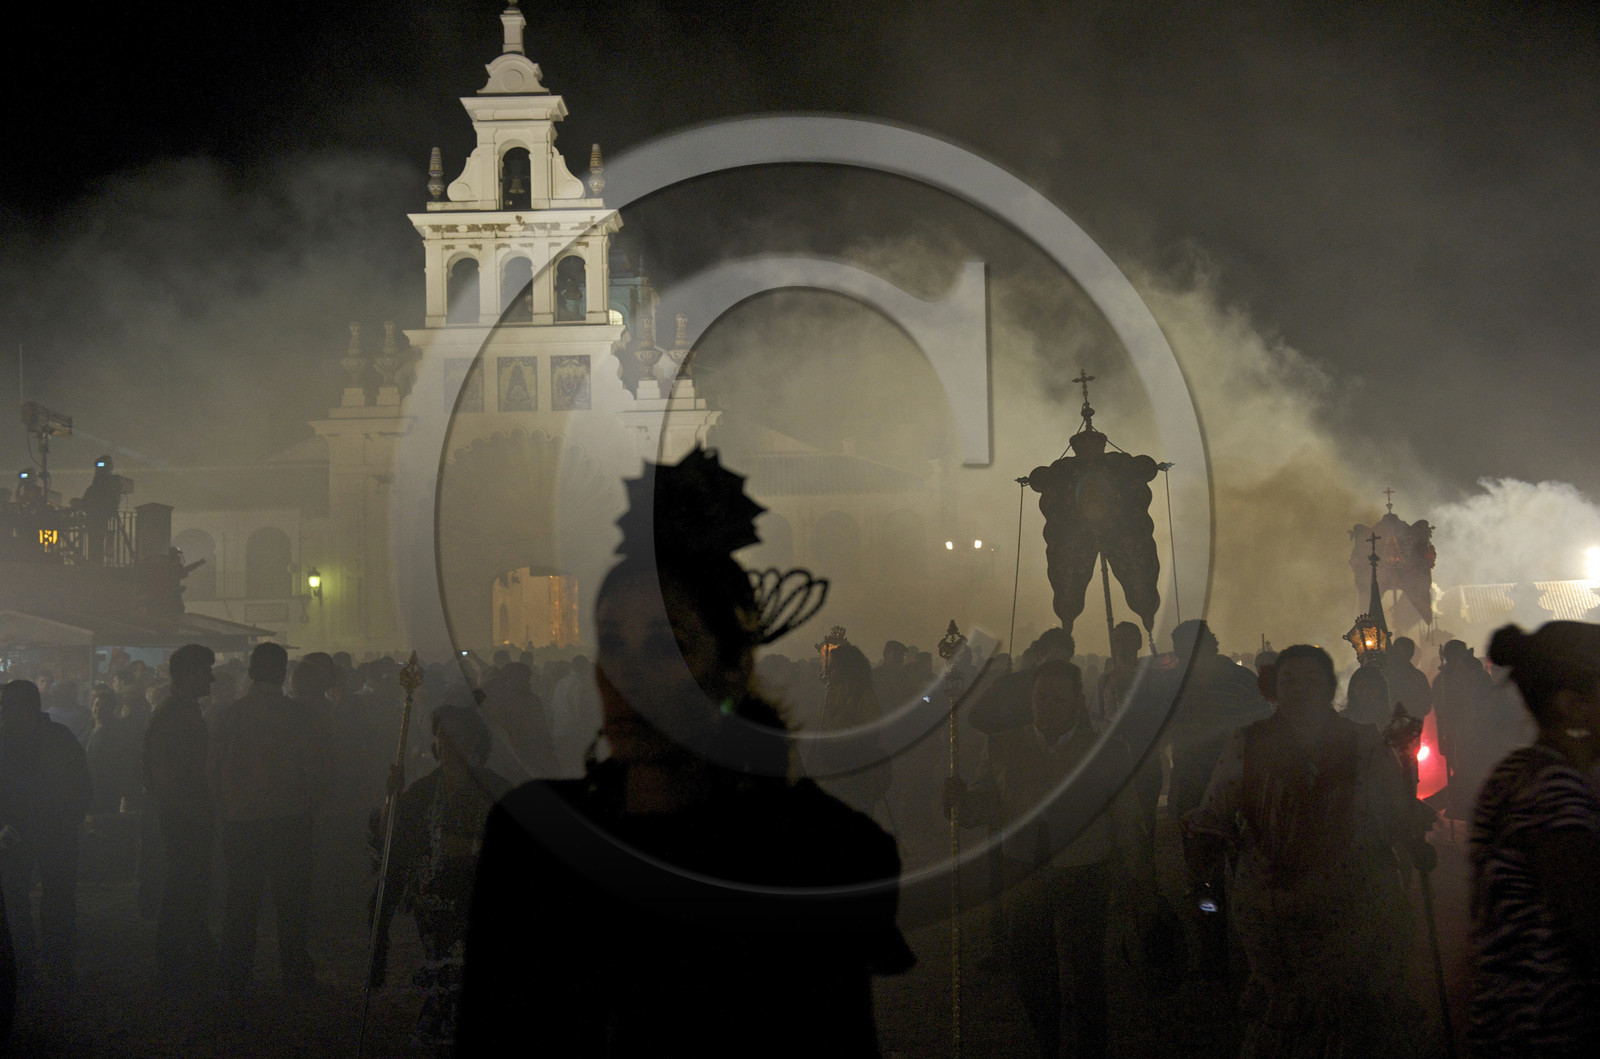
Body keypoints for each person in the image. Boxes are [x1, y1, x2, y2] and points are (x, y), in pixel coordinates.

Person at [458, 447, 912, 1055]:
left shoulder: (816, 856)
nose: (632, 675)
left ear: (730, 667)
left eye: (667, 644)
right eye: (613, 643)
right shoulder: (535, 842)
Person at [1182, 644, 1435, 1055]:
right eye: (1290, 681)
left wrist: (1413, 837)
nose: (1300, 690)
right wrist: (1200, 879)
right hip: (1271, 907)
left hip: (1351, 902)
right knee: (1286, 1008)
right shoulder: (1248, 743)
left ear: (1329, 688)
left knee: (1348, 1008)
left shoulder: (1363, 743)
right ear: (1275, 689)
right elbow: (1214, 812)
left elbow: (1395, 808)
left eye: (1311, 681)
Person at [945, 659, 1147, 1059]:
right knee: (1032, 969)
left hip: (1085, 871)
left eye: (1058, 698)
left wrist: (1139, 881)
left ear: (1077, 701)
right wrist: (959, 802)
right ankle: (1047, 1041)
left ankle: (1090, 1045)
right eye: (1041, 697)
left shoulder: (1107, 752)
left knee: (1086, 968)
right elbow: (982, 804)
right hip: (1021, 872)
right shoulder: (1002, 744)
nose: (1048, 705)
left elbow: (1127, 821)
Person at [1469, 622, 1600, 1056]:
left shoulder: (1520, 771)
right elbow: (1588, 923)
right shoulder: (1552, 791)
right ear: (1574, 707)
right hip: (1549, 1028)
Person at [371, 705, 513, 1047]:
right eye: (442, 736)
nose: (447, 743)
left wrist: (472, 845)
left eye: (456, 736)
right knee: (441, 961)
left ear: (475, 742)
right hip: (433, 898)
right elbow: (393, 833)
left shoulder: (493, 787)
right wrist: (392, 796)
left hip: (475, 893)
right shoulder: (425, 788)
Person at [209, 642, 326, 989]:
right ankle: (294, 969)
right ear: (283, 672)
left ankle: (236, 971)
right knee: (291, 902)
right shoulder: (298, 715)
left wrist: (224, 809)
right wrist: (312, 807)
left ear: (250, 671)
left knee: (241, 899)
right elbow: (315, 770)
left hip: (242, 820)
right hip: (290, 818)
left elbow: (213, 771)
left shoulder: (231, 714)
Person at [0, 680, 91, 986]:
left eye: (6, 704)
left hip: (22, 832)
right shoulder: (59, 737)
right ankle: (52, 961)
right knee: (51, 897)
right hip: (45, 831)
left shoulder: (10, 739)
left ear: (23, 707)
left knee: (24, 897)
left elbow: (80, 784)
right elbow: (81, 783)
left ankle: (29, 961)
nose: (2, 710)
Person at [144, 644, 217, 991]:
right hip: (185, 814)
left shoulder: (178, 711)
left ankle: (188, 954)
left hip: (185, 812)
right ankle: (175, 959)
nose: (212, 678)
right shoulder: (176, 715)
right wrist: (193, 808)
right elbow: (171, 776)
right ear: (190, 674)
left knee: (188, 884)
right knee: (184, 885)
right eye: (206, 670)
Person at [1387, 637, 1433, 718]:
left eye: (1406, 652)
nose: (1403, 656)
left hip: (1411, 724)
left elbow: (1426, 704)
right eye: (1400, 653)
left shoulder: (1418, 677)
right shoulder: (1386, 675)